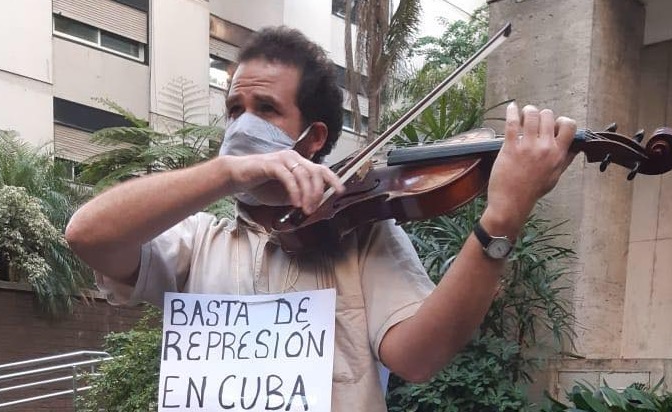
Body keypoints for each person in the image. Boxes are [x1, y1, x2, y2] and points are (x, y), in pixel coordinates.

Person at [66, 26, 576, 411]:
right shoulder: (199, 241)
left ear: (312, 139)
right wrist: (227, 171)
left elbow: (418, 357)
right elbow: (87, 234)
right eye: (234, 108)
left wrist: (503, 217)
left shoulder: (360, 234)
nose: (243, 123)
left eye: (265, 108)